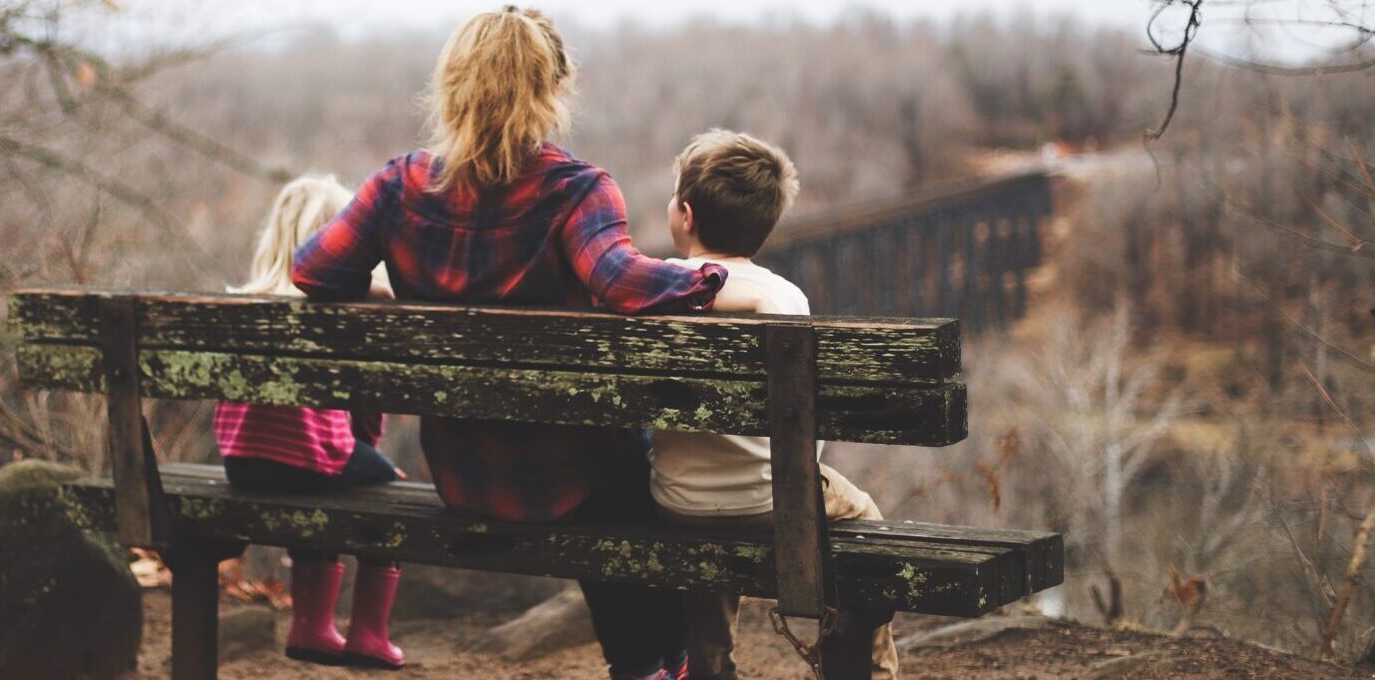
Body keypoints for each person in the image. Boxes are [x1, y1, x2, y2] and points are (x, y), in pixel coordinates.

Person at [293, 8, 728, 679]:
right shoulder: (576, 191)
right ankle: (657, 664)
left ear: (454, 85)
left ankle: (648, 664)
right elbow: (619, 280)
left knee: (616, 469)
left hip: (464, 477)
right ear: (552, 88)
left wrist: (389, 294)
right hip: (576, 482)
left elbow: (313, 270)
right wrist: (714, 275)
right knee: (635, 470)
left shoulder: (397, 187)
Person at [647, 129, 898, 680]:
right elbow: (806, 431)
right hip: (771, 498)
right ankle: (870, 669)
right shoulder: (784, 298)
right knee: (865, 517)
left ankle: (710, 665)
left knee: (709, 521)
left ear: (685, 215)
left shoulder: (655, 289)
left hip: (677, 500)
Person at [219, 175, 407, 670]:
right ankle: (367, 634)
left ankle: (312, 626)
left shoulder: (243, 304)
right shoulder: (339, 308)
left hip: (241, 464)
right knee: (390, 489)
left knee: (321, 474)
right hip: (309, 461)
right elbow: (365, 411)